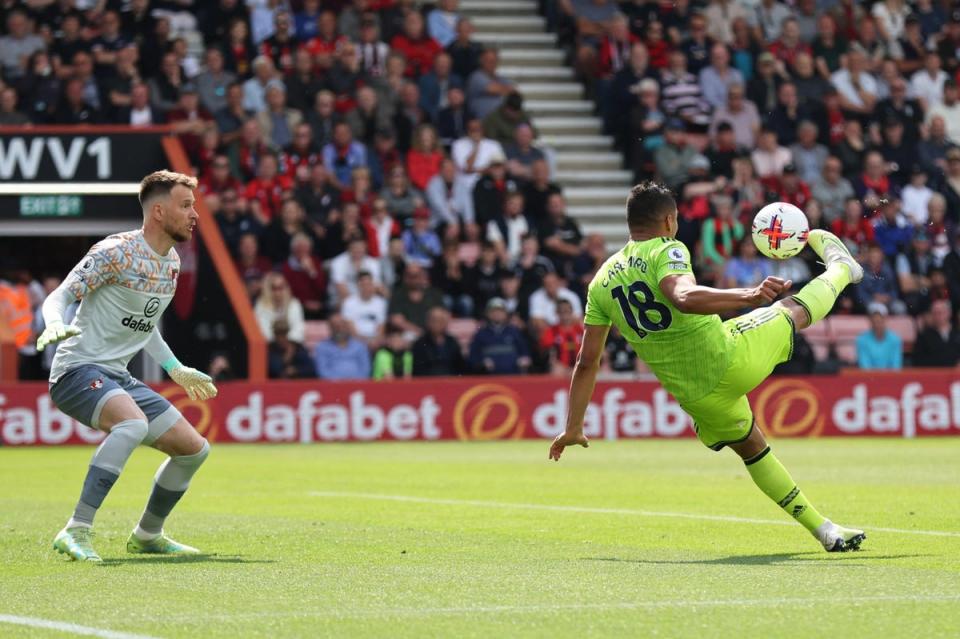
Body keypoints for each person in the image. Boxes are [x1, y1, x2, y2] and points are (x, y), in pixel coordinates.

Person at [549, 181, 867, 553]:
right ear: (669, 220)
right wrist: (747, 294)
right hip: (729, 357)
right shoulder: (666, 250)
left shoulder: (601, 280)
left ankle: (824, 529)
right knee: (791, 312)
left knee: (753, 449)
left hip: (698, 398)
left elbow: (587, 361)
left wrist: (573, 427)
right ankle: (843, 268)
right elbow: (682, 296)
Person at [36, 171, 217, 562]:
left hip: (117, 375)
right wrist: (54, 323)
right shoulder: (115, 252)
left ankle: (148, 534)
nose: (194, 214)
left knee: (194, 450)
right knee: (132, 424)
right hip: (76, 369)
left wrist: (175, 368)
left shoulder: (169, 262)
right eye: (185, 205)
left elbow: (145, 325)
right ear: (157, 211)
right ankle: (76, 529)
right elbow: (59, 296)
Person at [468, 297, 531, 374]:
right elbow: (473, 357)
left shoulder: (514, 332)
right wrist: (482, 362)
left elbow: (525, 353)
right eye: (493, 311)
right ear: (487, 313)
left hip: (513, 377)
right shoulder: (480, 334)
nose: (497, 313)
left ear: (506, 313)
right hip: (489, 379)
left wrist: (524, 360)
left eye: (500, 311)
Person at [412, 306, 468, 376]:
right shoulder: (420, 344)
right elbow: (418, 371)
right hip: (427, 384)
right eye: (434, 320)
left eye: (441, 320)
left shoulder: (452, 342)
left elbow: (460, 368)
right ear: (428, 322)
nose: (437, 324)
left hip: (451, 383)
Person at [314, 314, 371, 380]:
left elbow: (365, 369)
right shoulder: (322, 347)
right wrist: (339, 383)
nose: (339, 329)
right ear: (330, 328)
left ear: (347, 327)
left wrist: (354, 382)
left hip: (358, 385)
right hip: (331, 386)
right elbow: (322, 371)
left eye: (342, 326)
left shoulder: (360, 346)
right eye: (336, 326)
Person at [913, 299, 960, 367]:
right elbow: (918, 361)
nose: (939, 316)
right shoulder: (923, 337)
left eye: (941, 312)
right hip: (933, 374)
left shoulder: (957, 333)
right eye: (935, 313)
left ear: (949, 313)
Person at [856, 303, 902, 370]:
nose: (877, 322)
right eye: (874, 319)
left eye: (880, 318)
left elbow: (896, 366)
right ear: (870, 320)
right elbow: (865, 367)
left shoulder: (895, 339)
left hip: (890, 378)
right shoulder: (861, 340)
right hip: (868, 378)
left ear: (885, 319)